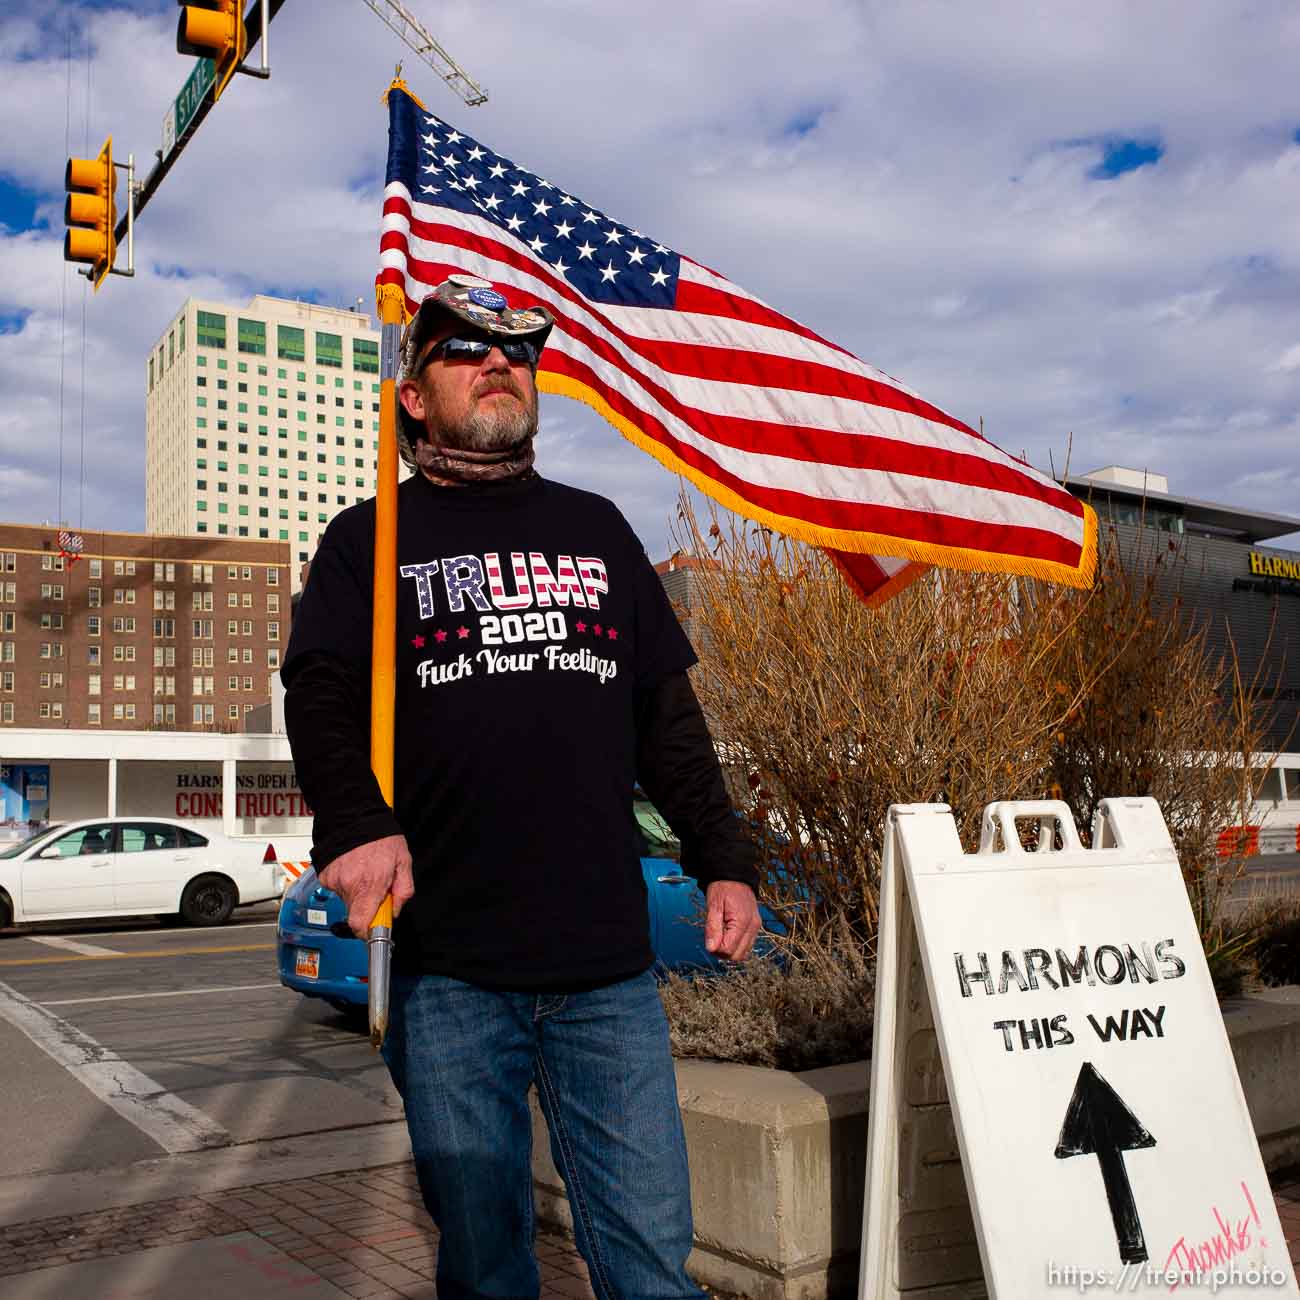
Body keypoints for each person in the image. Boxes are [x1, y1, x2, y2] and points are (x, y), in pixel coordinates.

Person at [282, 276, 761, 1300]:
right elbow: (319, 698)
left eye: (517, 350)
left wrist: (723, 858)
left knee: (650, 1259)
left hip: (607, 974)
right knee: (488, 1264)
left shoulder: (598, 528)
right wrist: (356, 823)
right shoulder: (367, 541)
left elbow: (665, 723)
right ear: (413, 395)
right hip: (448, 969)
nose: (500, 362)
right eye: (465, 348)